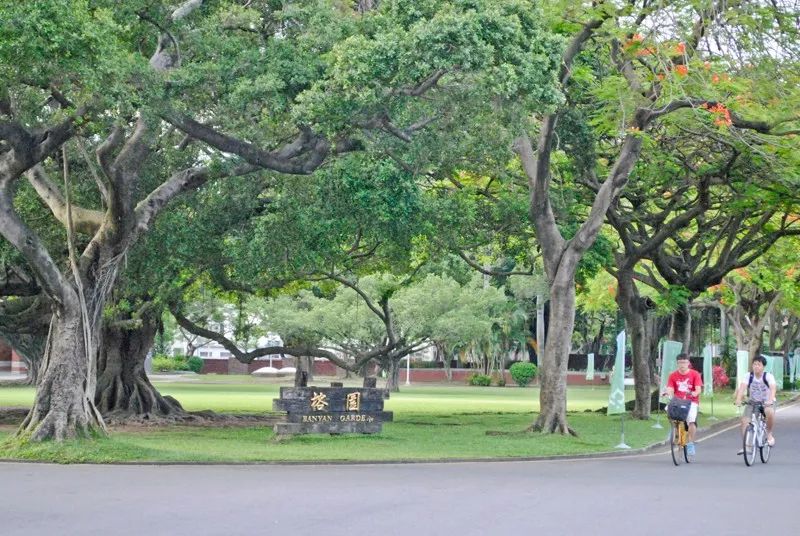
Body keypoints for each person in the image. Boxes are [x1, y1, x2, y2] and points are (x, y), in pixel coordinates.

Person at [734, 355, 776, 454]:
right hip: (753, 402)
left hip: (766, 402)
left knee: (769, 412)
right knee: (744, 421)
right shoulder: (749, 376)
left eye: (759, 364)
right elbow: (742, 388)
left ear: (763, 367)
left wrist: (770, 400)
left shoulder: (768, 376)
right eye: (754, 364)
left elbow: (773, 388)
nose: (756, 366)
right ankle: (747, 446)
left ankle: (769, 434)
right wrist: (738, 399)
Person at [664, 353, 703, 456]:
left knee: (691, 421)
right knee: (668, 409)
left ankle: (690, 443)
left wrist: (694, 393)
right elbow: (670, 388)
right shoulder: (673, 375)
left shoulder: (695, 374)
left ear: (688, 363)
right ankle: (674, 428)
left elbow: (698, 389)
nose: (682, 365)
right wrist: (668, 392)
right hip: (677, 400)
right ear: (677, 363)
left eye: (684, 362)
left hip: (691, 402)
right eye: (680, 362)